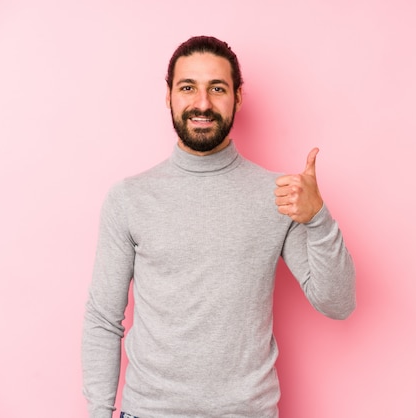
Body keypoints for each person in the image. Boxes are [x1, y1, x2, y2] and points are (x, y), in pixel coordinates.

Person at [82, 35, 356, 418]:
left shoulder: (276, 196)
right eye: (188, 87)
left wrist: (317, 218)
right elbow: (103, 318)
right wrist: (99, 411)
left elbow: (338, 304)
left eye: (217, 88)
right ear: (169, 95)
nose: (202, 103)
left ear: (238, 97)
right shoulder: (130, 198)